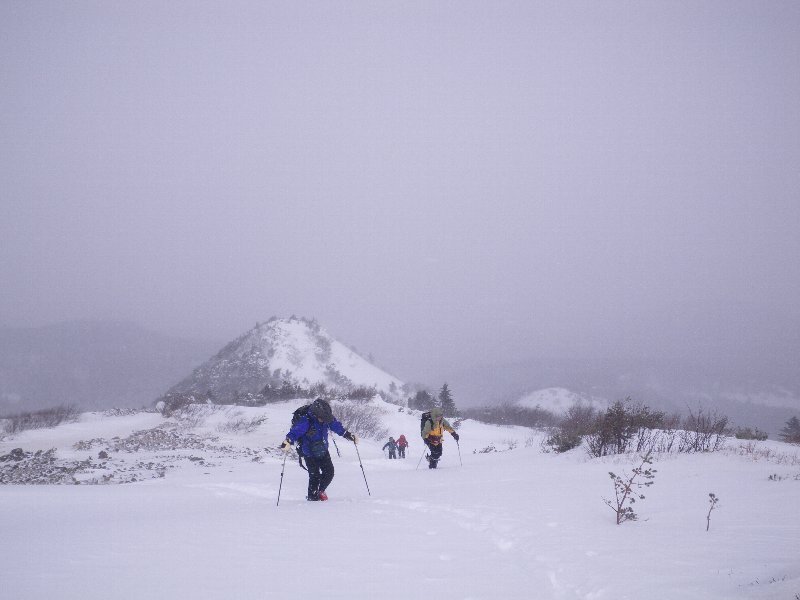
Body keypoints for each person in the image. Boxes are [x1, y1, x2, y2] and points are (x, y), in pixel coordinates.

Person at [279, 398, 357, 501]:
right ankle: (312, 499)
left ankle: (320, 491)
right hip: (309, 453)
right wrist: (288, 441)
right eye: (322, 419)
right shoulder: (306, 420)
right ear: (316, 415)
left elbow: (335, 425)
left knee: (329, 472)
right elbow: (295, 432)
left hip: (323, 450)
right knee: (314, 476)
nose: (325, 421)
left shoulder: (326, 417)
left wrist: (346, 434)